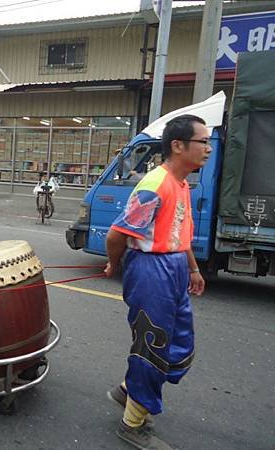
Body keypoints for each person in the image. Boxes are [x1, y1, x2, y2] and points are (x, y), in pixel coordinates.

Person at [104, 114, 207, 450]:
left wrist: (192, 269)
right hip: (151, 269)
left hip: (175, 267)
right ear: (178, 146)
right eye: (202, 142)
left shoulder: (182, 185)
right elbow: (117, 233)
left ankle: (127, 390)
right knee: (153, 344)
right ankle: (132, 424)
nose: (207, 148)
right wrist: (113, 264)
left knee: (179, 342)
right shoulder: (155, 184)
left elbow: (181, 234)